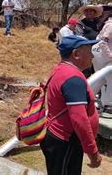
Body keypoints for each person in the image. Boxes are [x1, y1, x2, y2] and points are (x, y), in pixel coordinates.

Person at [40, 35, 102, 174]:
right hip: (65, 142)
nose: (92, 55)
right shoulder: (73, 80)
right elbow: (79, 120)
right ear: (76, 54)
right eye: (89, 50)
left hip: (57, 137)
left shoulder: (60, 69)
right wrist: (92, 152)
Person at [93, 9, 112, 111]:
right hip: (102, 54)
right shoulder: (111, 25)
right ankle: (108, 104)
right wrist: (110, 55)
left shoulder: (108, 23)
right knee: (108, 79)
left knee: (102, 80)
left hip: (101, 53)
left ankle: (96, 101)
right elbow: (103, 42)